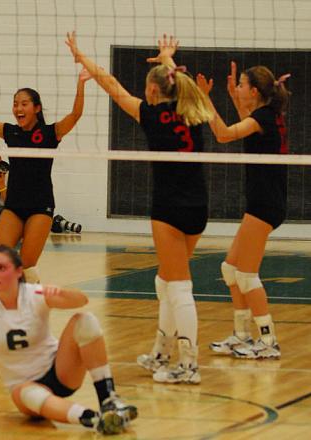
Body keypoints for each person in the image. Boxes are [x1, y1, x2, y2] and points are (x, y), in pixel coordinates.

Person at [66, 33, 213, 384]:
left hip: (168, 208)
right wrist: (166, 58)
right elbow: (173, 83)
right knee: (165, 281)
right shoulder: (195, 111)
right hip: (198, 206)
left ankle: (188, 364)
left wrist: (81, 56)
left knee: (177, 286)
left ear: (151, 91)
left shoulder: (149, 114)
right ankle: (162, 353)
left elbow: (109, 82)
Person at [0, 245, 137, 435]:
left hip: (60, 371)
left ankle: (109, 400)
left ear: (19, 271)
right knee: (31, 394)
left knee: (85, 320)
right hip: (23, 386)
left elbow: (81, 301)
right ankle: (96, 419)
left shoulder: (34, 294)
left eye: (1, 268)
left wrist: (60, 292)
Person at [0, 62, 91, 283]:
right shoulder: (11, 132)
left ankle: (33, 303)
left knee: (27, 268)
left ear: (36, 108)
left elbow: (75, 115)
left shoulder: (50, 133)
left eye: (24, 104)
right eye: (15, 104)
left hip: (40, 206)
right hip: (14, 205)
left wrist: (80, 85)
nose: (18, 108)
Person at [196, 62, 290, 359]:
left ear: (253, 91)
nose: (237, 89)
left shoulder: (262, 117)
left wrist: (204, 98)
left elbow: (224, 134)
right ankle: (241, 335)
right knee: (231, 269)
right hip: (262, 202)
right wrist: (233, 97)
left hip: (265, 204)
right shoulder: (265, 117)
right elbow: (246, 128)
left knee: (247, 275)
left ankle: (268, 340)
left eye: (241, 86)